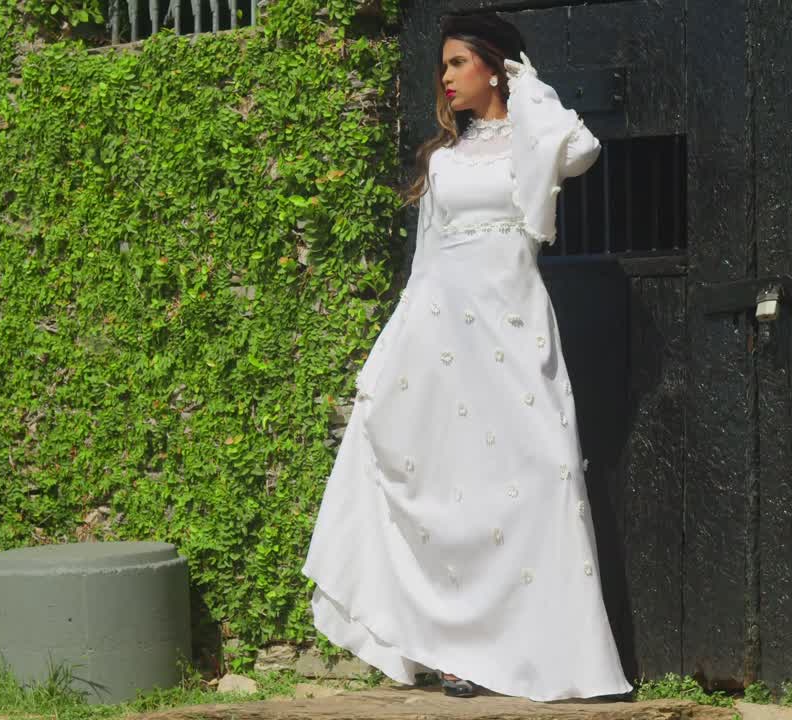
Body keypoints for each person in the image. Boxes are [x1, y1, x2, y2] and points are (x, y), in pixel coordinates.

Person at [301, 11, 631, 703]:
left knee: (545, 471)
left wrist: (530, 87)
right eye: (442, 67)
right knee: (453, 486)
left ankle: (548, 656)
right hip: (440, 329)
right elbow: (425, 264)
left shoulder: (537, 140)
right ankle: (455, 652)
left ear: (493, 66)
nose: (445, 78)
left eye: (457, 63)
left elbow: (585, 147)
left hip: (511, 323)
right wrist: (391, 348)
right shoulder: (444, 159)